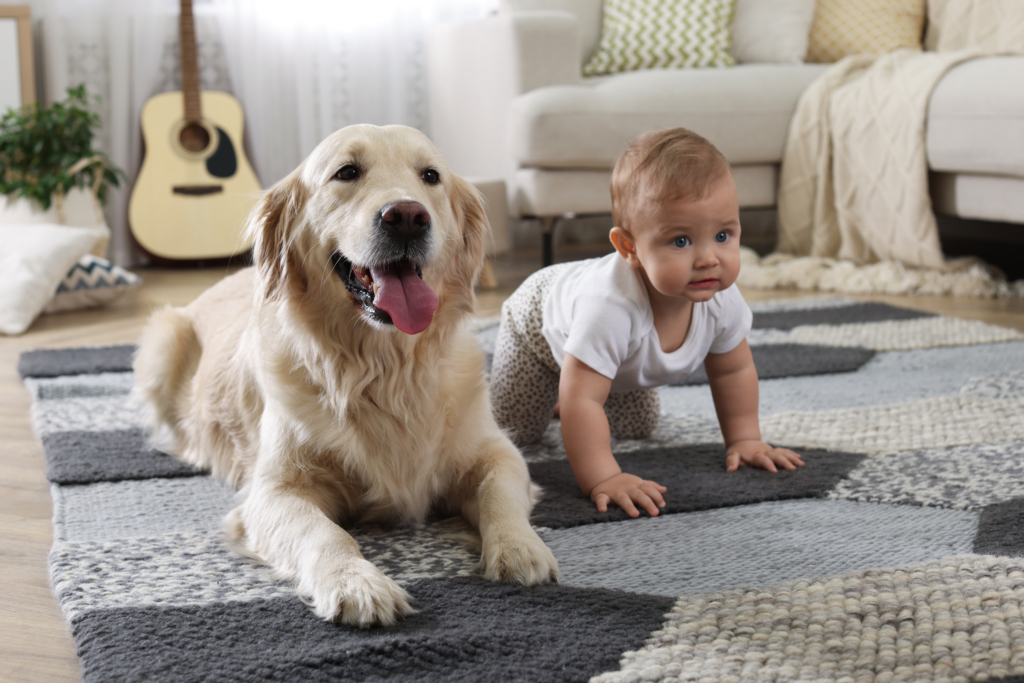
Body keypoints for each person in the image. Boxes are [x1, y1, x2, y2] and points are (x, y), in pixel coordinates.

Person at [490, 127, 804, 518]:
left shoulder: (720, 296)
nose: (709, 258)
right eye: (681, 241)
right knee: (514, 433)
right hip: (535, 325)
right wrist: (603, 477)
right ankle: (562, 377)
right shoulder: (609, 308)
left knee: (639, 425)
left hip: (620, 359)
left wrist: (745, 439)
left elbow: (733, 370)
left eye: (723, 235)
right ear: (629, 248)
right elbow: (582, 401)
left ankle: (586, 373)